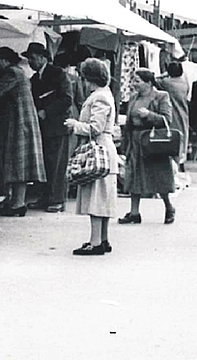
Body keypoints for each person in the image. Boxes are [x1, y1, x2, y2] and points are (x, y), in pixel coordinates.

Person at [0, 47, 46, 216]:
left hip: (18, 122)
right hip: (23, 120)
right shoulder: (20, 72)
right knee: (18, 162)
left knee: (17, 161)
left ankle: (17, 203)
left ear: (4, 60)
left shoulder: (12, 73)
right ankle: (15, 201)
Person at [64, 58, 118, 255]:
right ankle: (102, 239)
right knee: (103, 197)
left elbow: (96, 127)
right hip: (104, 148)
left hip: (99, 149)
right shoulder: (105, 94)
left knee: (97, 197)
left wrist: (75, 125)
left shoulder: (99, 97)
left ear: (89, 78)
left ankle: (95, 242)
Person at [119, 68, 176, 225]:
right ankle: (134, 212)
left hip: (153, 142)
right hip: (135, 141)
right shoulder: (133, 98)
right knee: (133, 176)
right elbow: (129, 123)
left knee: (158, 176)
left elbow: (167, 119)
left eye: (138, 80)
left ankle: (169, 207)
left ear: (149, 82)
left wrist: (149, 115)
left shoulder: (161, 96)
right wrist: (126, 144)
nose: (134, 84)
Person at [23, 42, 73, 213]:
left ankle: (57, 199)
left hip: (58, 126)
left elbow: (67, 99)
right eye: (29, 59)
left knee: (58, 164)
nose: (30, 62)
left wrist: (47, 111)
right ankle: (45, 197)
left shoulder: (59, 74)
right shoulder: (34, 80)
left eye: (33, 58)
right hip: (42, 128)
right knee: (44, 163)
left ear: (43, 58)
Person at [158, 62, 191, 183]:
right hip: (183, 114)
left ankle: (174, 171)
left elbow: (154, 79)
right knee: (181, 140)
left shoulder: (167, 83)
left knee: (172, 142)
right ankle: (179, 166)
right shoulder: (184, 83)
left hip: (173, 115)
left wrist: (164, 74)